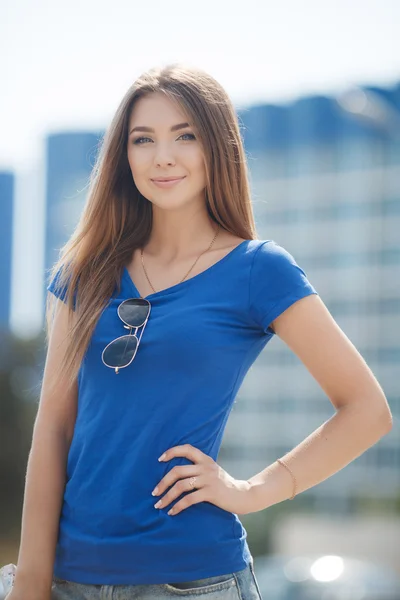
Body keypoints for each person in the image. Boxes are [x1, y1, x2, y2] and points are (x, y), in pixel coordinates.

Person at [6, 63, 392, 600]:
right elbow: (52, 430)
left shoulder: (258, 269)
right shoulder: (85, 271)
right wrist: (29, 582)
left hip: (193, 582)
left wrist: (255, 490)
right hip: (71, 579)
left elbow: (367, 410)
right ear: (125, 157)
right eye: (144, 139)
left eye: (184, 135)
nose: (163, 155)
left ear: (217, 147)